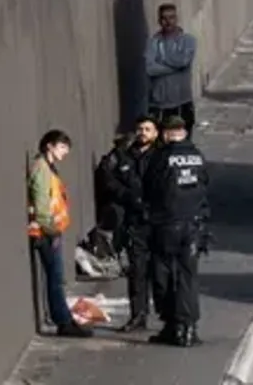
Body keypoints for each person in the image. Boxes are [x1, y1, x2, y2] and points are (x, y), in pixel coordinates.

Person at [141, 115, 209, 346]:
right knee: (188, 278)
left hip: (166, 225)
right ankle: (188, 328)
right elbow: (204, 188)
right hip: (193, 225)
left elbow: (150, 187)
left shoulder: (162, 157)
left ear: (167, 133)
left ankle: (172, 326)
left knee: (163, 276)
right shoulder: (198, 157)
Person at [98, 116, 161, 330]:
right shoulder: (123, 156)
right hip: (133, 221)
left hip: (157, 221)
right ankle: (138, 315)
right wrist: (128, 195)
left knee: (162, 272)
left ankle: (167, 315)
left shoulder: (161, 156)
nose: (143, 132)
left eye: (148, 129)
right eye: (140, 129)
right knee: (137, 271)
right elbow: (107, 178)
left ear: (156, 133)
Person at [29, 130, 92, 338]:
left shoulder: (48, 168)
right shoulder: (42, 170)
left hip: (50, 230)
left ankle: (64, 319)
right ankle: (64, 322)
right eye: (62, 147)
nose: (65, 152)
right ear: (50, 146)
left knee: (56, 278)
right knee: (55, 278)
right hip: (46, 232)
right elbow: (41, 205)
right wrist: (52, 231)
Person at [145, 3, 198, 131]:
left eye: (171, 18)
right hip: (159, 104)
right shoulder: (153, 43)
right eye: (164, 18)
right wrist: (175, 68)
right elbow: (150, 69)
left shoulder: (188, 41)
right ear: (159, 21)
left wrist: (162, 59)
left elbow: (183, 61)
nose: (168, 22)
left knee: (183, 145)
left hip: (182, 101)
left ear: (176, 19)